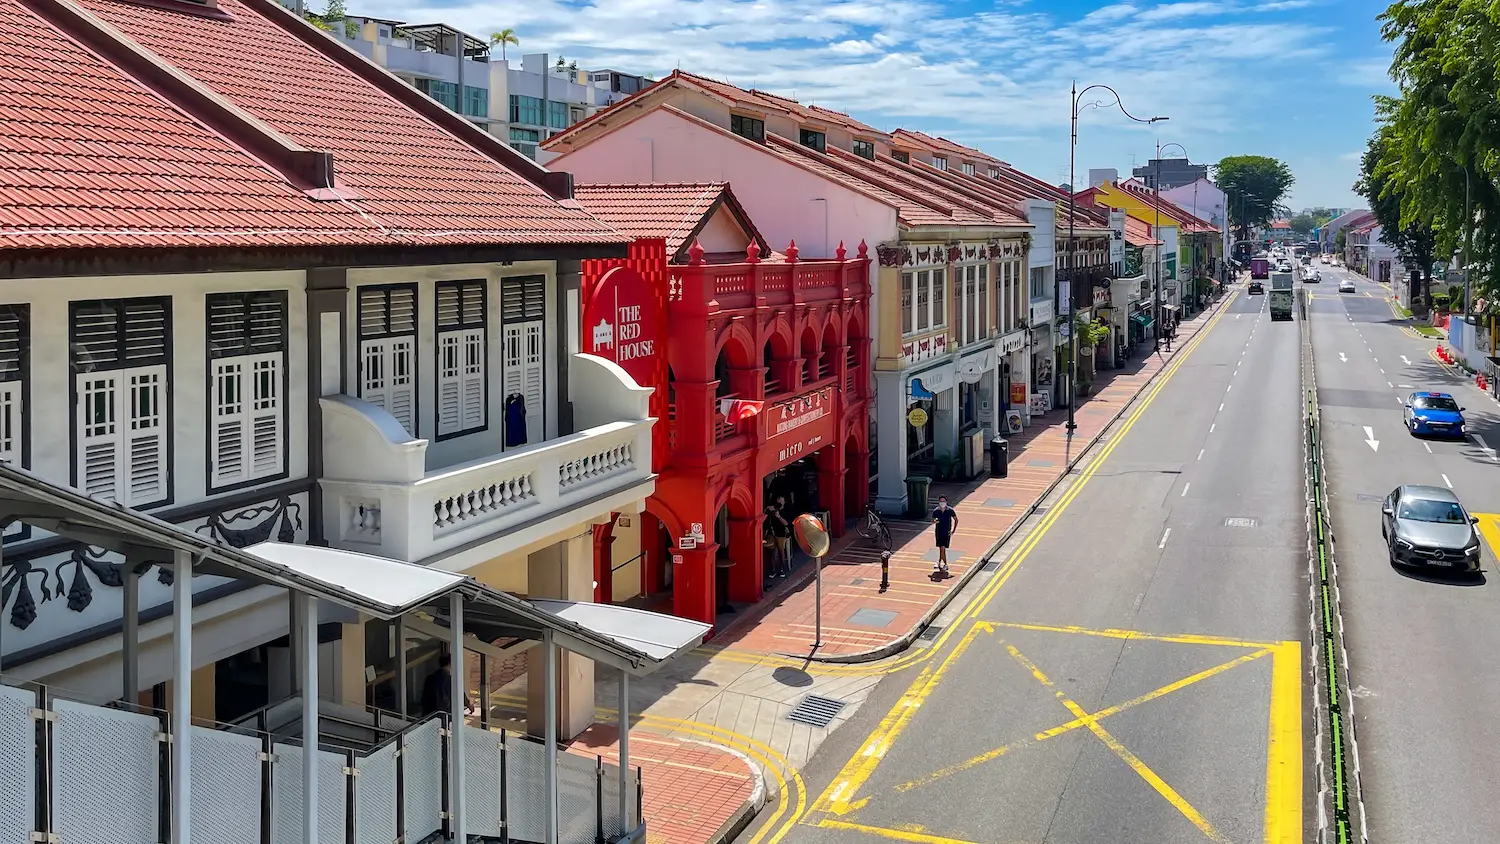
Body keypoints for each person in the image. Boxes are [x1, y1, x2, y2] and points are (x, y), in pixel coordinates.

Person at [419, 653, 473, 718]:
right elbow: (459, 694)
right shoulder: (450, 680)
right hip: (444, 714)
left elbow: (424, 698)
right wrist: (468, 704)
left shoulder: (430, 678)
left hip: (430, 714)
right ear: (450, 663)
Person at [931, 496, 959, 577]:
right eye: (941, 501)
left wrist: (953, 530)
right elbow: (932, 520)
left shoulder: (950, 510)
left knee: (943, 548)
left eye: (943, 501)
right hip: (938, 532)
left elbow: (956, 520)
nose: (942, 503)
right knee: (941, 548)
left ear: (946, 502)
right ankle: (940, 562)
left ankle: (945, 564)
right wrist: (935, 521)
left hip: (946, 532)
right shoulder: (936, 511)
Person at [766, 500, 792, 579]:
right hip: (772, 533)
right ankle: (773, 570)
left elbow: (786, 523)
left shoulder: (786, 510)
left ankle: (782, 569)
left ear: (784, 501)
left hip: (781, 533)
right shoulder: (773, 509)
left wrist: (779, 516)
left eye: (781, 499)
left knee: (781, 552)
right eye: (778, 499)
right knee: (772, 552)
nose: (779, 501)